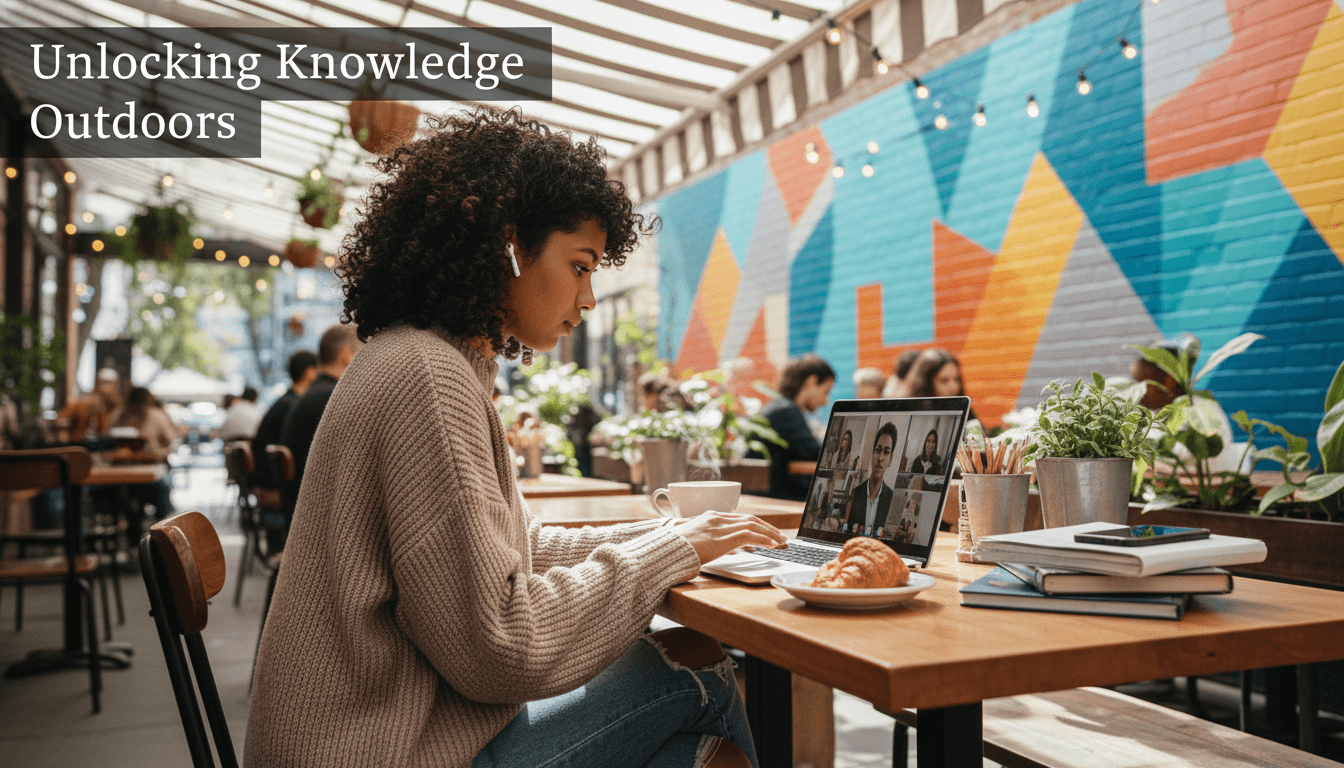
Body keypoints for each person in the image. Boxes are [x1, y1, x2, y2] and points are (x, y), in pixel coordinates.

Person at [246, 109, 784, 768]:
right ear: (507, 246)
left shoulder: (422, 359)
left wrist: (673, 540)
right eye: (580, 265)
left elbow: (517, 548)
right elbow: (500, 644)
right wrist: (668, 552)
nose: (588, 299)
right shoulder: (428, 377)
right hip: (379, 750)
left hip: (380, 732)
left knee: (700, 754)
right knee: (696, 664)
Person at [277, 325, 362, 529]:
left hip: (298, 503)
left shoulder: (315, 392)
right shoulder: (334, 396)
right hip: (316, 512)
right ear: (347, 356)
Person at [751, 354, 835, 500]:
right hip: (773, 498)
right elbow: (820, 454)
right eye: (826, 391)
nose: (826, 401)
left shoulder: (778, 406)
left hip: (766, 495)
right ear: (812, 381)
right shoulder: (786, 412)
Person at [250, 351, 318, 488]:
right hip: (276, 481)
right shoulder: (294, 405)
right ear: (310, 372)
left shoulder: (285, 401)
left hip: (268, 474)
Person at [113, 386, 177, 521]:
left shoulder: (118, 414)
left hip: (125, 475)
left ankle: (132, 529)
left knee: (121, 494)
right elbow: (173, 444)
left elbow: (108, 443)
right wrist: (159, 453)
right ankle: (163, 530)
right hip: (144, 475)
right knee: (162, 489)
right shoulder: (156, 415)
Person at [844, 421, 898, 535]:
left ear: (891, 459)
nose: (880, 458)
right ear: (872, 454)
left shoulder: (892, 500)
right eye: (878, 450)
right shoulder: (855, 494)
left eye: (886, 452)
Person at [898, 348, 978, 421]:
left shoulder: (962, 407)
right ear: (926, 383)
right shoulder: (911, 414)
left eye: (956, 379)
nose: (953, 387)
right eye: (944, 380)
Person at [59, 367, 122, 441]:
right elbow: (61, 422)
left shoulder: (116, 406)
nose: (107, 387)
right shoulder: (82, 403)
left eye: (111, 384)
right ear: (97, 384)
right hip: (80, 446)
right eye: (104, 383)